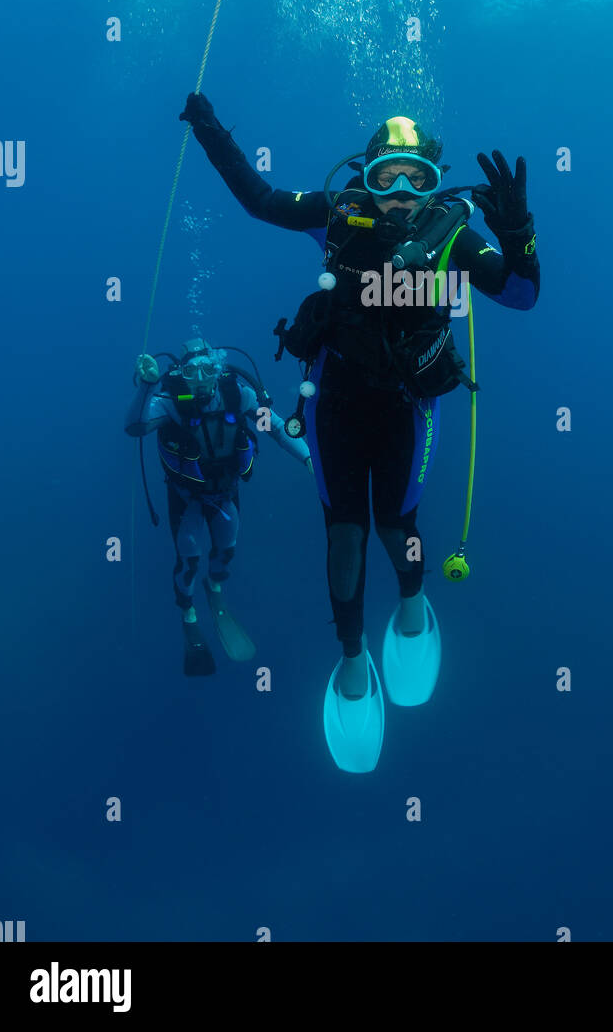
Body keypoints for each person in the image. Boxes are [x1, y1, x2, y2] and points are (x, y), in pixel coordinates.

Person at [180, 95, 539, 763]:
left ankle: (409, 604)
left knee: (397, 528)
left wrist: (517, 234)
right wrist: (208, 127)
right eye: (386, 178)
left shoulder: (453, 235)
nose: (401, 195)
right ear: (365, 175)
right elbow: (259, 199)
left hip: (407, 406)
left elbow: (519, 295)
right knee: (344, 532)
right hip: (335, 401)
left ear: (434, 180)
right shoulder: (339, 219)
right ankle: (351, 653)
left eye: (416, 180)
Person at [125, 338, 312, 673]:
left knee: (226, 550)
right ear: (181, 374)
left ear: (218, 368)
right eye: (191, 371)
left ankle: (215, 588)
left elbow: (277, 429)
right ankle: (188, 611)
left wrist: (307, 457)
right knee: (189, 559)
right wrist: (148, 386)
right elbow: (135, 426)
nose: (201, 378)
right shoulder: (170, 401)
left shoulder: (237, 396)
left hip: (226, 494)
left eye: (208, 368)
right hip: (187, 501)